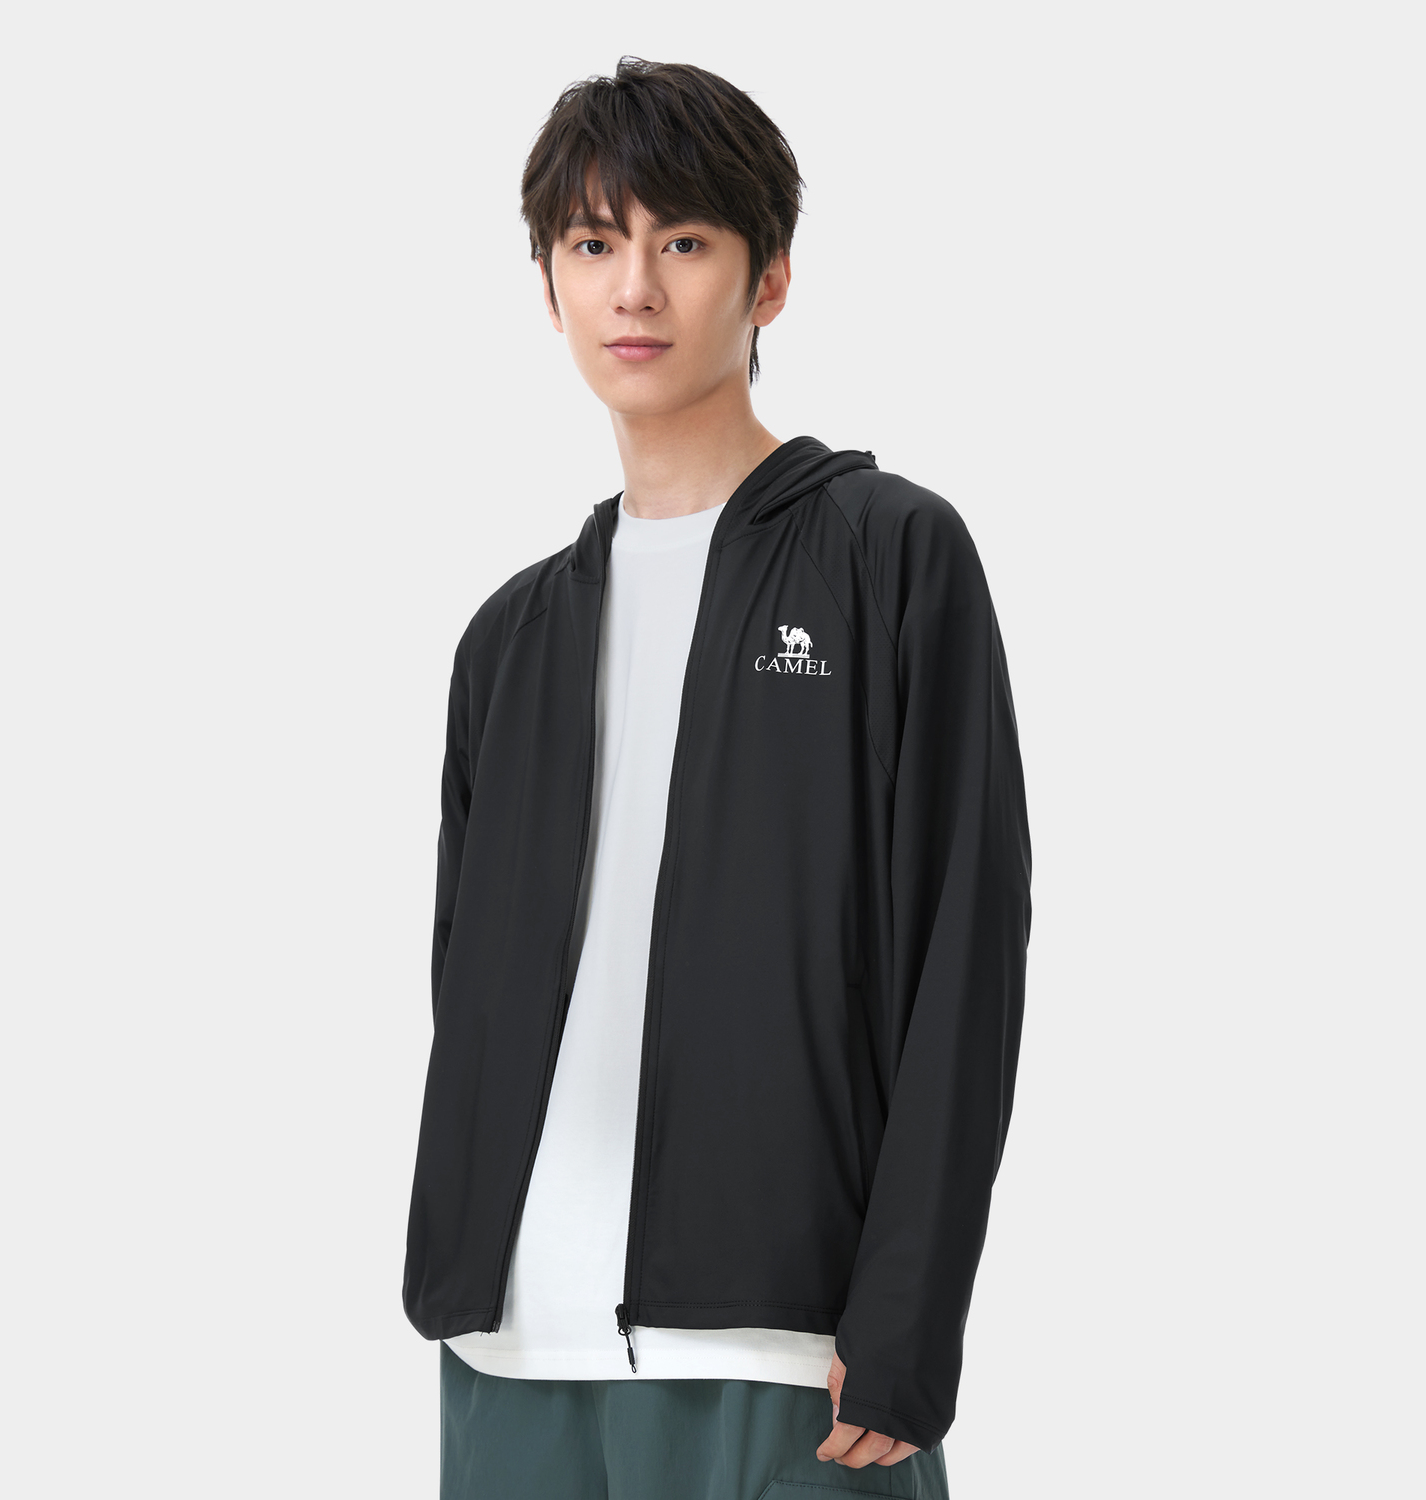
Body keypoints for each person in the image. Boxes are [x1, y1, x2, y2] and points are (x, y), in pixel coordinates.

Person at [403, 56, 1032, 1499]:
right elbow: (464, 985)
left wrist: (909, 1316)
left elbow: (966, 952)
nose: (634, 289)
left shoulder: (890, 557)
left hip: (784, 1351)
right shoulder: (510, 638)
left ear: (771, 280)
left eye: (682, 241)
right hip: (512, 1344)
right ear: (549, 284)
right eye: (592, 244)